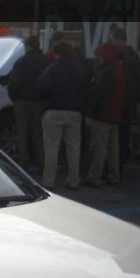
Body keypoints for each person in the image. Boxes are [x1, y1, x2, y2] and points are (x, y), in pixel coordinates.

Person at [36, 41, 92, 190]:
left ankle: (48, 180)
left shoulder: (51, 69)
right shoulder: (82, 69)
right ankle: (73, 179)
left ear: (58, 54)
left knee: (52, 147)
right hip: (75, 112)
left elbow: (42, 88)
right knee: (73, 148)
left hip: (53, 110)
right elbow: (88, 91)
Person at [7, 35, 48, 173]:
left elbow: (13, 83)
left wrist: (15, 99)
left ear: (28, 46)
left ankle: (22, 165)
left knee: (22, 134)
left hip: (22, 102)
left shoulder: (21, 62)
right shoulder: (45, 62)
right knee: (38, 134)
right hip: (39, 103)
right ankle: (42, 164)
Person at [86, 43, 125, 187]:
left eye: (100, 56)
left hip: (103, 115)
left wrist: (93, 111)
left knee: (100, 148)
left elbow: (101, 95)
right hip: (115, 115)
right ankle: (114, 176)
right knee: (113, 149)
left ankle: (94, 176)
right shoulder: (118, 69)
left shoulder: (107, 72)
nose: (98, 58)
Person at [109, 26, 140, 168]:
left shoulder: (123, 56)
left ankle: (118, 161)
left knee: (118, 134)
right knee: (123, 132)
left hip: (120, 101)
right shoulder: (134, 56)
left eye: (112, 39)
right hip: (128, 102)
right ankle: (122, 158)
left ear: (117, 39)